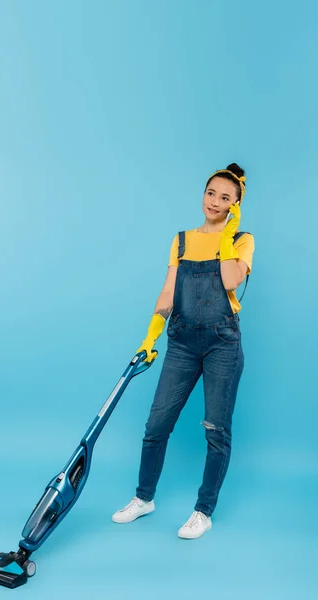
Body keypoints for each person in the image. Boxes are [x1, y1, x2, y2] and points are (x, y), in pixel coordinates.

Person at [112, 163, 255, 539]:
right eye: (211, 193)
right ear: (203, 194)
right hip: (182, 341)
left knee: (216, 430)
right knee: (156, 425)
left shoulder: (242, 240)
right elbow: (167, 294)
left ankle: (203, 511)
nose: (215, 201)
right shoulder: (182, 240)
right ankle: (144, 498)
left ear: (236, 204)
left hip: (223, 342)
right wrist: (150, 339)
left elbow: (229, 280)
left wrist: (226, 234)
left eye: (226, 197)